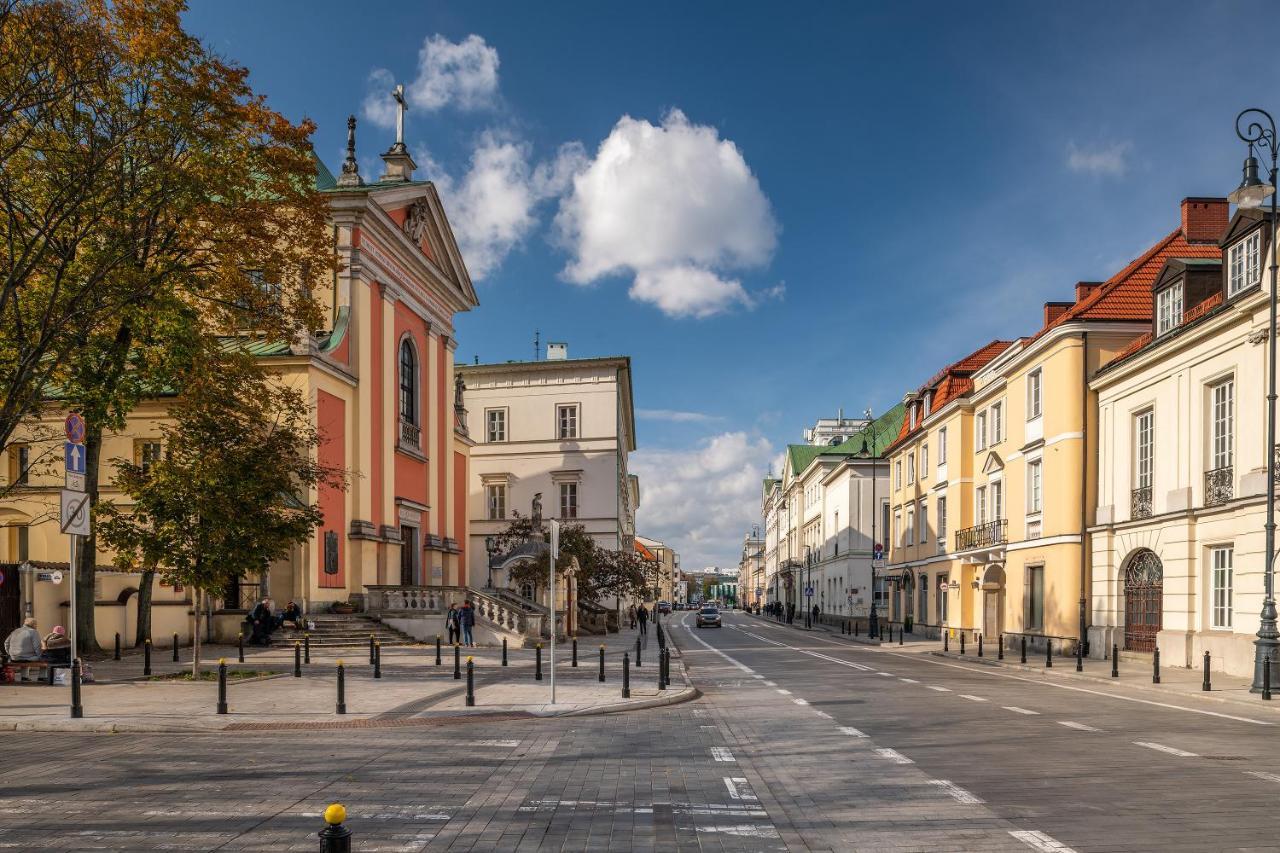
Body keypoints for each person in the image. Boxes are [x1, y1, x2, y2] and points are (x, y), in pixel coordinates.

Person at [5, 618, 42, 682]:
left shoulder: (16, 631)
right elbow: (37, 646)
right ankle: (42, 677)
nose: (36, 626)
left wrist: (9, 653)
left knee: (25, 655)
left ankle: (24, 677)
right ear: (34, 625)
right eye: (36, 624)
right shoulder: (33, 632)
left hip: (14, 658)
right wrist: (40, 656)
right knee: (45, 657)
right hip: (26, 658)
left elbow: (6, 643)